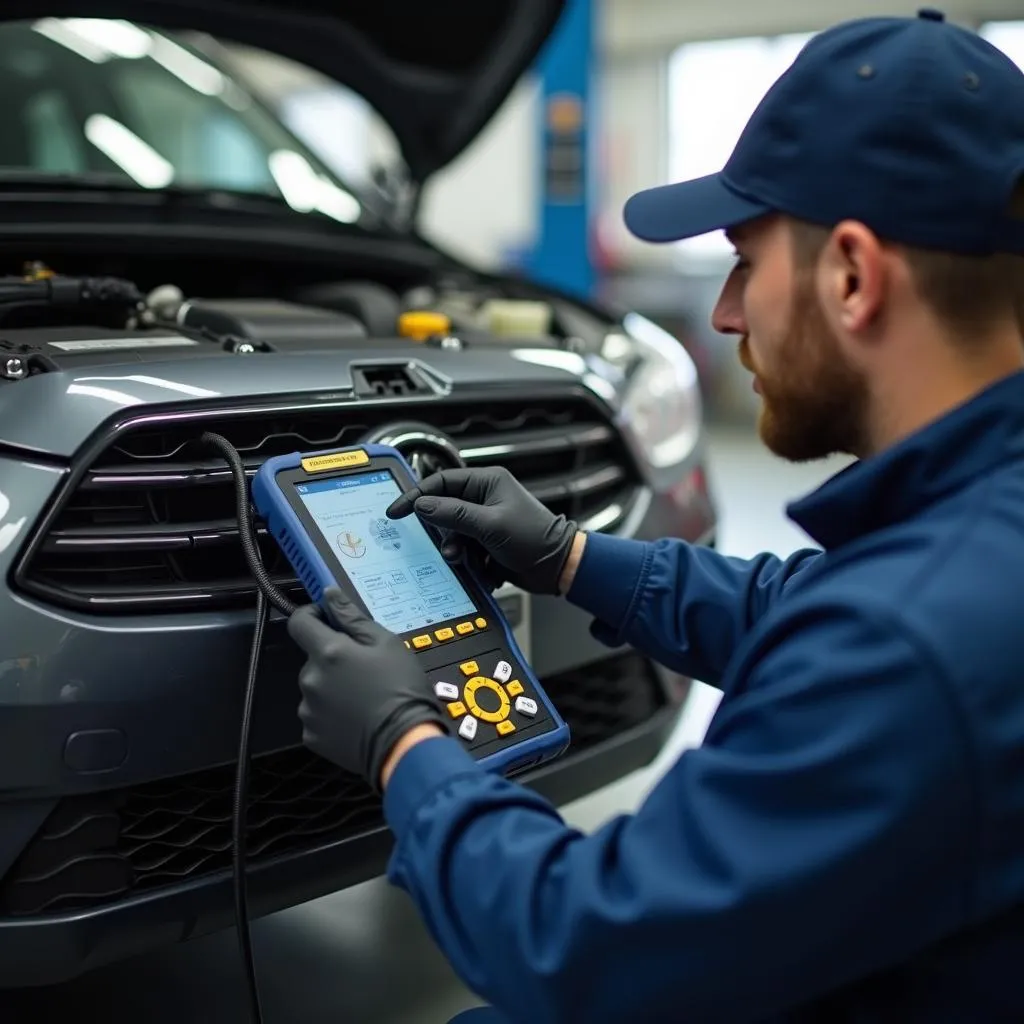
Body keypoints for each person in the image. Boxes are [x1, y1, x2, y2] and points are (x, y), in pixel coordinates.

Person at [286, 9, 1024, 1023]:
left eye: (744, 261)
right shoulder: (974, 532)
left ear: (852, 276)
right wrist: (568, 555)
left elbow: (577, 944)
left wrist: (405, 742)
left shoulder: (908, 640)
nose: (724, 314)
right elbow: (805, 608)